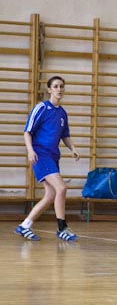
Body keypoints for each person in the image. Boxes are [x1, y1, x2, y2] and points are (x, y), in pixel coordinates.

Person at [15, 76, 80, 242]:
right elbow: (27, 131)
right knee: (61, 188)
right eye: (56, 86)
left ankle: (25, 225)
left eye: (61, 86)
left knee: (51, 194)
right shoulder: (41, 108)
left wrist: (73, 148)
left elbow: (65, 135)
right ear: (49, 89)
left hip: (53, 156)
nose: (59, 89)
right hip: (40, 155)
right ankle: (62, 228)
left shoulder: (62, 113)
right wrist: (30, 151)